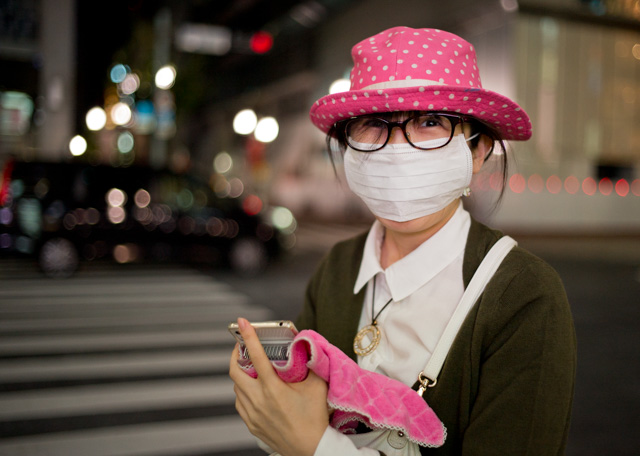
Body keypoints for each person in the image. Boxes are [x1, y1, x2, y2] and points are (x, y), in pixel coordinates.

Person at [229, 26, 577, 455]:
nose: (396, 149)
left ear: (480, 149)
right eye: (374, 125)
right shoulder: (337, 267)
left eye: (430, 121)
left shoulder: (526, 296)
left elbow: (306, 435)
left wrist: (312, 446)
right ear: (348, 148)